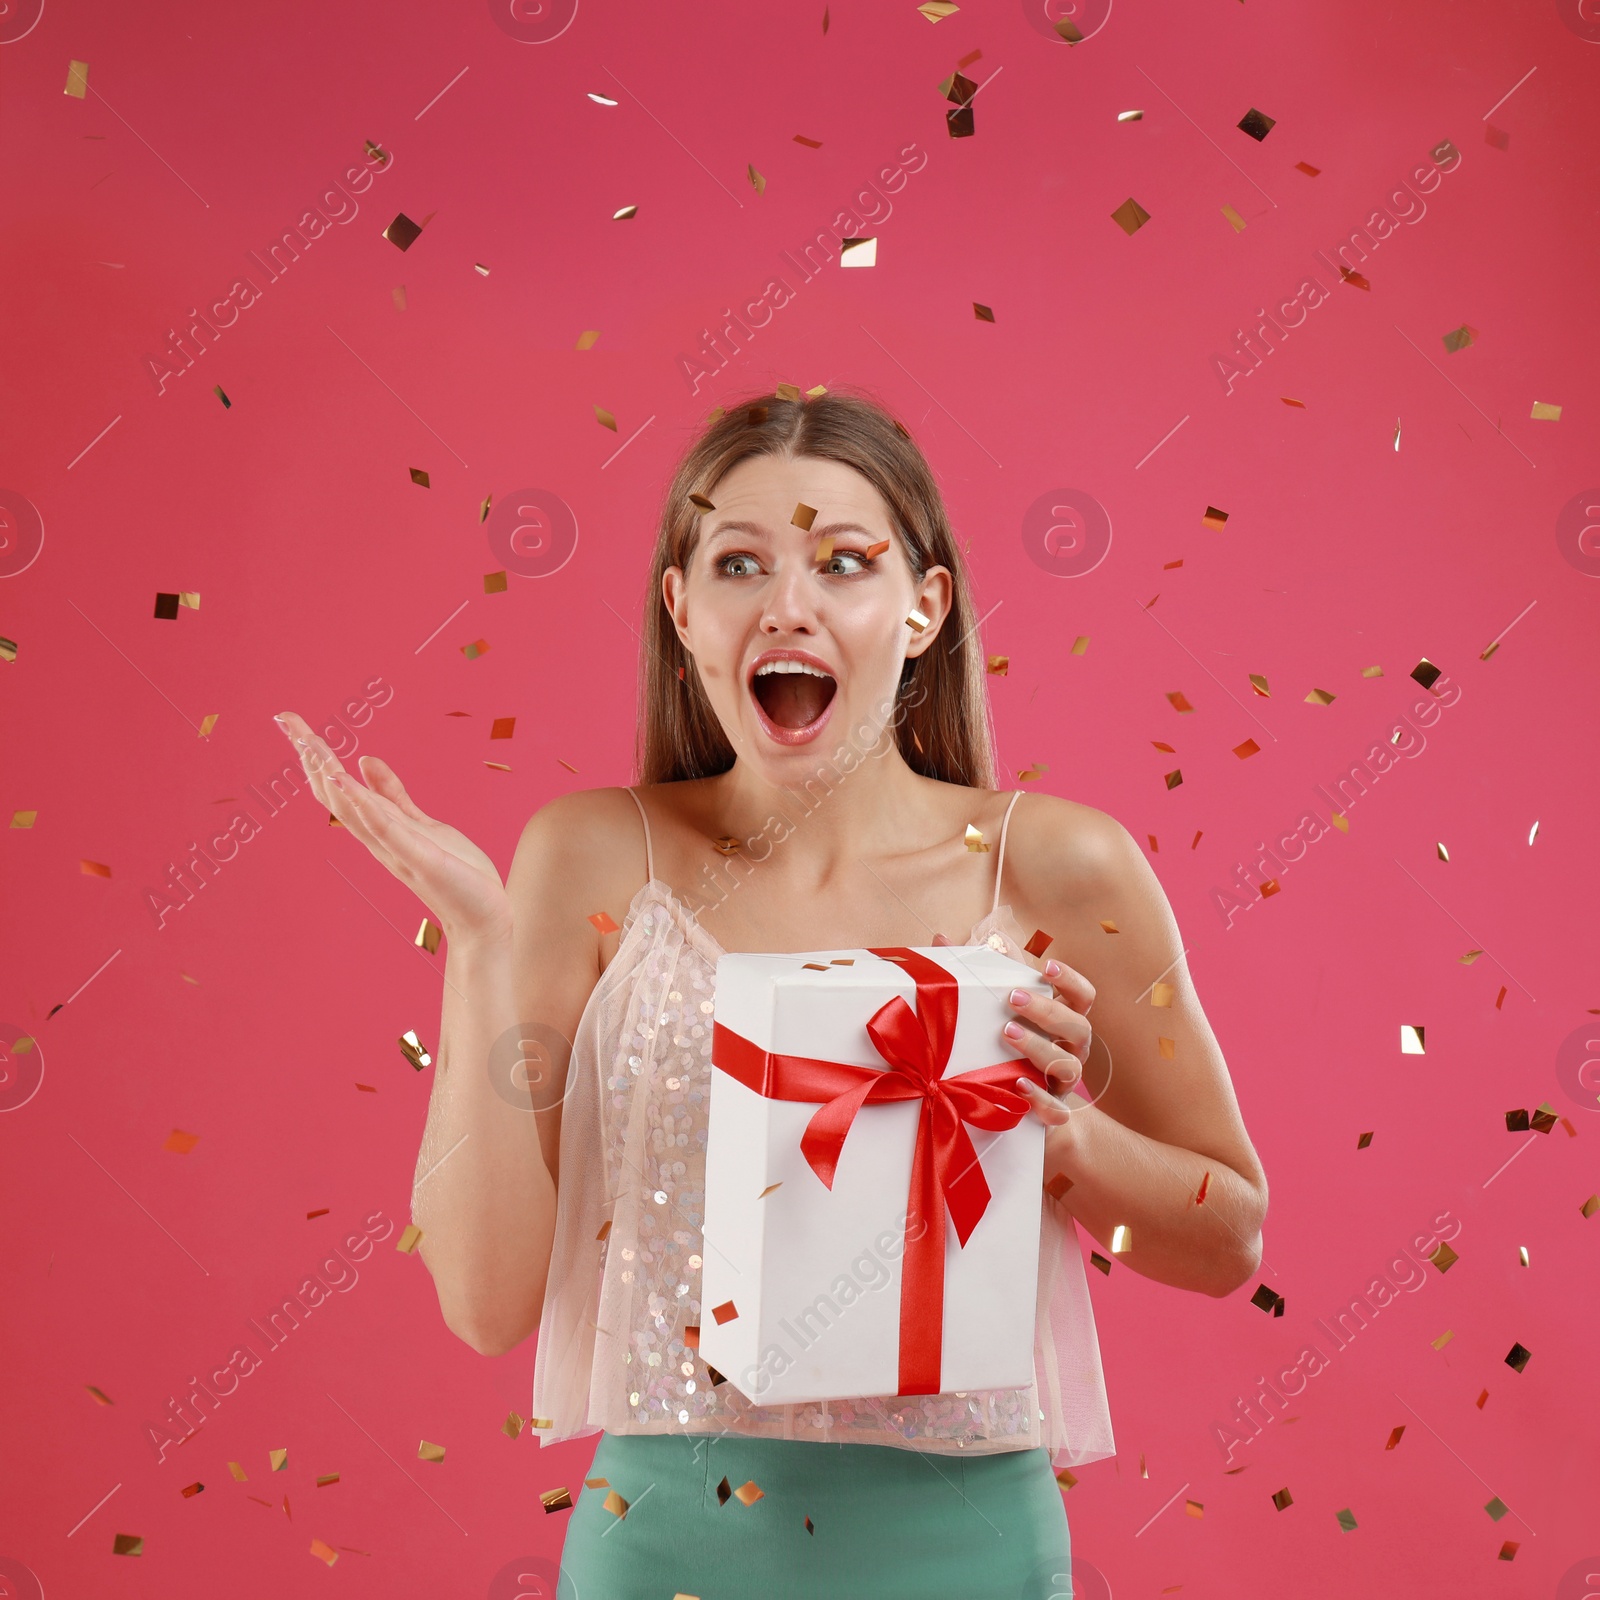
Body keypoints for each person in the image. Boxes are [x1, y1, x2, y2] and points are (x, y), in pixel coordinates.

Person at [274, 388, 1268, 1598]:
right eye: (739, 563)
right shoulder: (590, 857)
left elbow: (1229, 1238)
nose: (786, 603)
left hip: (968, 1549)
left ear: (923, 608)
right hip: (666, 1549)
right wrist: (479, 945)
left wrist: (1057, 1137)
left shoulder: (1058, 861)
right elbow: (485, 1303)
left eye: (844, 562)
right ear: (683, 610)